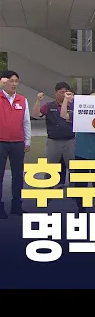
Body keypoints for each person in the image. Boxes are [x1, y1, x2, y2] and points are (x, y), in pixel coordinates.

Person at [60, 91, 95, 213]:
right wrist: (66, 99)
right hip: (82, 152)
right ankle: (81, 208)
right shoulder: (79, 114)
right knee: (81, 183)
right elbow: (63, 115)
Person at [31, 81, 76, 188]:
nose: (64, 95)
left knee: (73, 167)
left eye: (66, 92)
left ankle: (75, 188)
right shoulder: (49, 106)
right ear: (56, 93)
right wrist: (38, 101)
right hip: (53, 141)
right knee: (51, 166)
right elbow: (35, 114)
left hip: (70, 140)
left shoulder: (73, 106)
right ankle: (49, 187)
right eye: (61, 92)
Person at [0, 71, 31, 218]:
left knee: (18, 175)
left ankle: (17, 205)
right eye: (11, 81)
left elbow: (26, 122)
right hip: (1, 142)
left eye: (16, 81)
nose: (14, 84)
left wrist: (27, 140)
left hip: (18, 142)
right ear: (3, 82)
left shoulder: (22, 100)